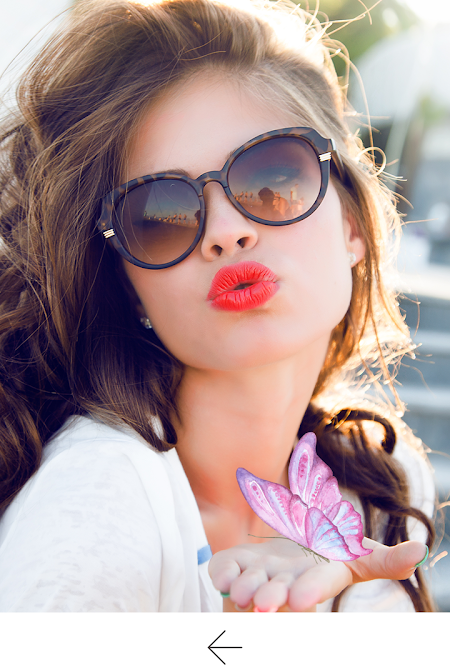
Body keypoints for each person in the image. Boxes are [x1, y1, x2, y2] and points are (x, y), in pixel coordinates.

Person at [0, 0, 435, 612]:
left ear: (353, 226)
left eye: (273, 179)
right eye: (161, 215)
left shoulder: (384, 481)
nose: (226, 232)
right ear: (128, 285)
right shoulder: (95, 503)